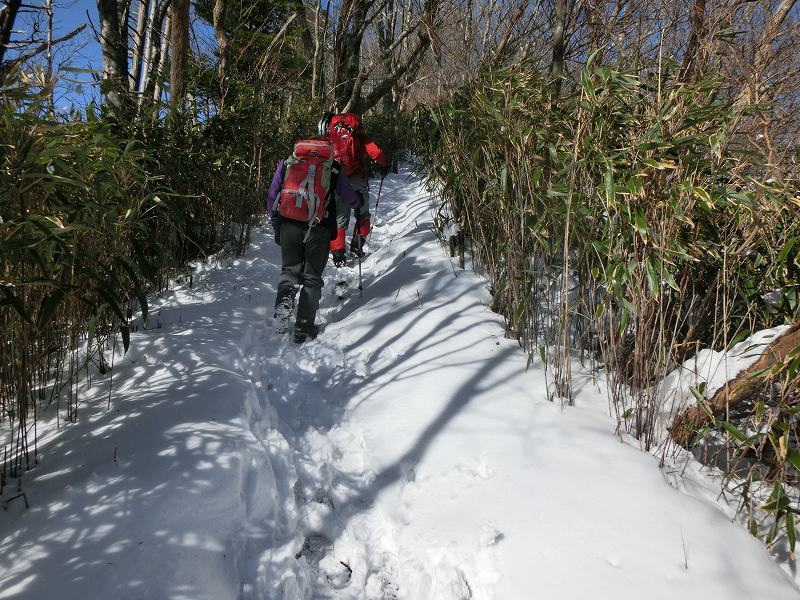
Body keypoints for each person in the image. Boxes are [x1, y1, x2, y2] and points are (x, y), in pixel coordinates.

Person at [266, 137, 361, 343]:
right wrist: (358, 201)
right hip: (319, 228)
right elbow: (348, 197)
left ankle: (284, 303)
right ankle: (304, 327)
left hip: (288, 223)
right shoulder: (332, 167)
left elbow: (272, 196)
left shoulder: (288, 163)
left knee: (289, 270)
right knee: (312, 277)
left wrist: (277, 224)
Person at [321, 112, 389, 267]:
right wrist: (384, 165)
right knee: (362, 213)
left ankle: (338, 255)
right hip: (356, 179)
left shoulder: (329, 136)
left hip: (336, 179)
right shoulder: (359, 136)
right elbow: (376, 152)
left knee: (339, 217)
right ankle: (357, 246)